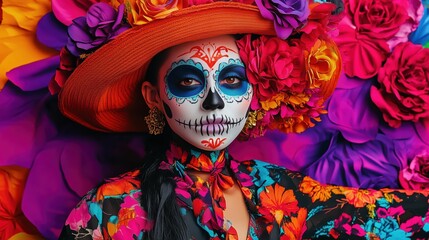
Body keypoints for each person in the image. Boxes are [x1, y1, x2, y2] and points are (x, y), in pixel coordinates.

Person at [47, 0, 429, 239]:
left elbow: (392, 217)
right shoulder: (105, 211)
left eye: (231, 80)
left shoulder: (278, 190)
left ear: (255, 91)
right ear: (154, 96)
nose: (214, 101)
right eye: (188, 81)